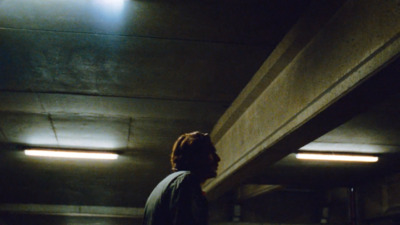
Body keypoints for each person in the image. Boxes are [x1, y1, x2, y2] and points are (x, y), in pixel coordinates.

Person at [142, 131, 221, 225]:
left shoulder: (166, 184)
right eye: (211, 153)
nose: (218, 158)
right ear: (196, 156)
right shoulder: (186, 181)